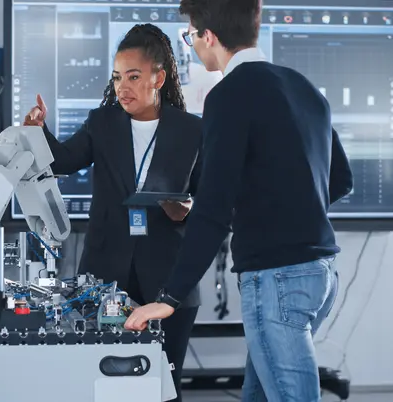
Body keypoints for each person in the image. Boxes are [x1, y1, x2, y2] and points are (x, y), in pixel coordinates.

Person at [125, 1, 354, 401]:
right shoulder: (304, 87)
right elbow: (341, 181)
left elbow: (213, 209)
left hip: (276, 280)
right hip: (322, 275)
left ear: (208, 36)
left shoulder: (229, 95)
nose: (191, 44)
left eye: (190, 35)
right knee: (258, 394)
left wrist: (168, 299)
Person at [24, 24, 204, 402]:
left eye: (134, 77)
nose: (123, 86)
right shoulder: (102, 122)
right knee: (104, 383)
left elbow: (210, 199)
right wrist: (38, 132)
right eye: (118, 77)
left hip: (169, 276)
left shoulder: (192, 130)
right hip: (106, 272)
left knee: (165, 386)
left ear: (159, 77)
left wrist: (186, 209)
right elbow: (63, 161)